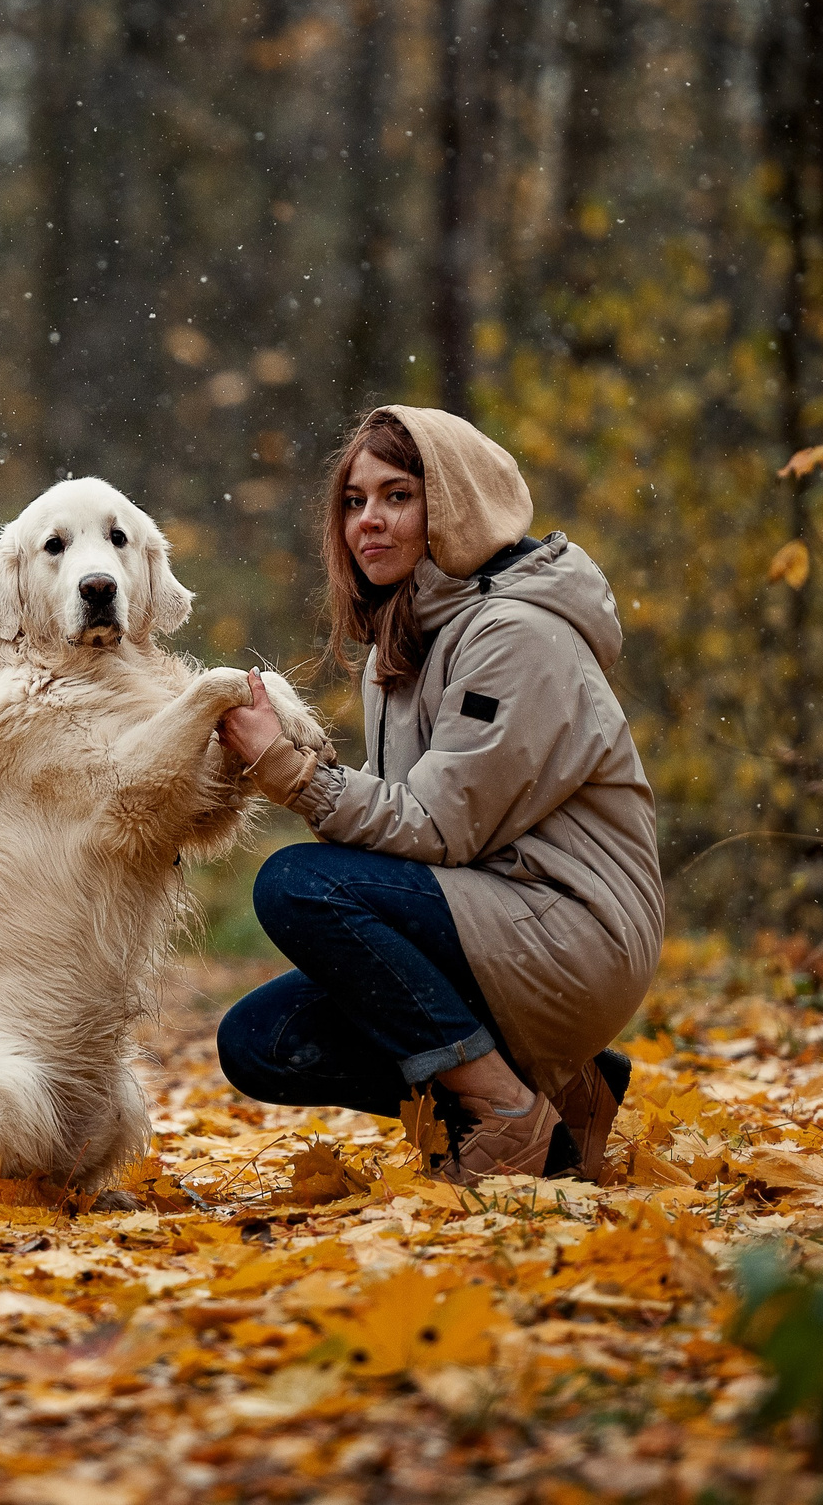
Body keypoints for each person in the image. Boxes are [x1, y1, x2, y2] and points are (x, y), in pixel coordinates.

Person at [213, 406, 663, 1182]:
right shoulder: (404, 641)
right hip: (493, 915)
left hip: (573, 929)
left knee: (296, 884)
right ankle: (573, 1095)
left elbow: (435, 825)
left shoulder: (517, 634)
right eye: (354, 502)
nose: (369, 522)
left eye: (398, 496)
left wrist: (289, 770)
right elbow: (411, 828)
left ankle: (504, 1113)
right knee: (260, 1040)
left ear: (454, 505)